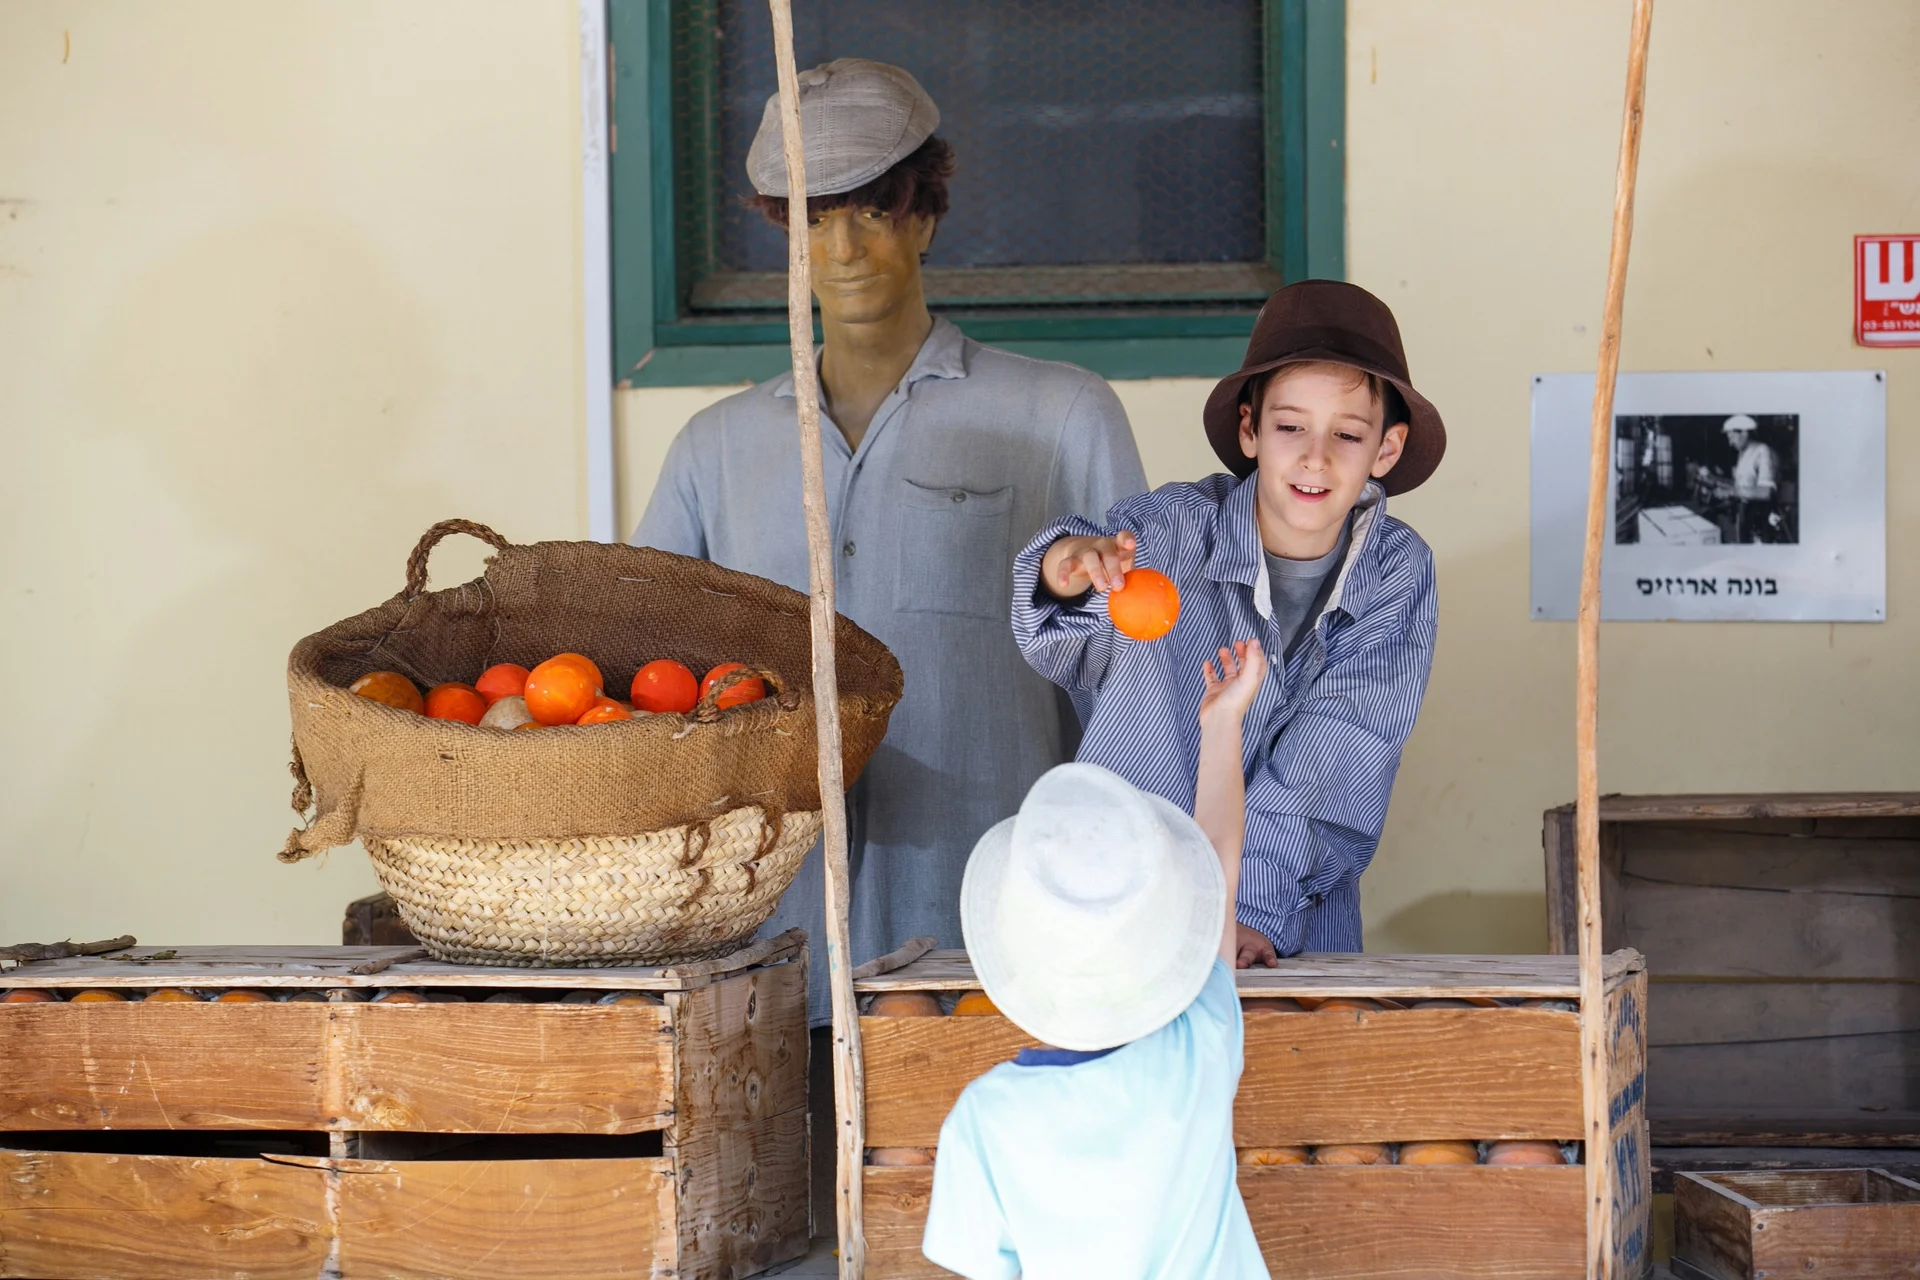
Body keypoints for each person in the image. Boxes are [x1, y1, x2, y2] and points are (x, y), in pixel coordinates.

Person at [632, 56, 1147, 1225]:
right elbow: (643, 705)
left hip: (995, 962)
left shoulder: (1057, 416)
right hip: (768, 963)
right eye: (815, 217)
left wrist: (1108, 939)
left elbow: (1133, 697)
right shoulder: (713, 454)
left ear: (925, 213)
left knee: (987, 1241)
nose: (848, 248)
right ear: (782, 233)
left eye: (874, 207)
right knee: (780, 1236)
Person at [1012, 280, 1443, 967]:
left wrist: (1247, 913)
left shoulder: (1396, 574)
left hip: (1280, 935)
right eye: (1290, 426)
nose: (1315, 456)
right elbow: (1066, 645)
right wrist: (1062, 571)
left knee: (1295, 1074)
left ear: (1385, 451)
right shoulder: (1163, 532)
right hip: (1126, 916)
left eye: (1348, 434)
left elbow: (1341, 755)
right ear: (1250, 430)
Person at [922, 640, 1271, 1280]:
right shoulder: (1196, 1050)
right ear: (1165, 934)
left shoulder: (984, 1116)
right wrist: (1223, 723)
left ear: (1014, 962)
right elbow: (1219, 865)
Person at [1720, 414, 1781, 543]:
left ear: (1744, 433)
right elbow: (1743, 485)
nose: (1730, 443)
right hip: (1744, 514)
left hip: (1759, 518)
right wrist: (1719, 483)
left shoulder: (1762, 451)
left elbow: (1765, 492)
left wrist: (1731, 492)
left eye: (1731, 437)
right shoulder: (1742, 453)